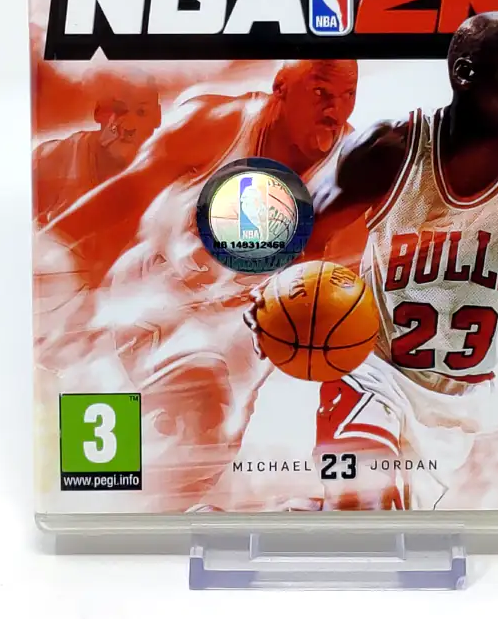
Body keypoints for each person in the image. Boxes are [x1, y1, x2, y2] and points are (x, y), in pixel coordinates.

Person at [246, 12, 498, 510]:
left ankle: (278, 518)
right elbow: (305, 231)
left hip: (457, 405)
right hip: (369, 371)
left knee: (385, 522)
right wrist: (279, 295)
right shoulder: (391, 149)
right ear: (465, 74)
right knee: (363, 506)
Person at [37, 60, 359, 510]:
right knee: (103, 433)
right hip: (155, 286)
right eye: (322, 92)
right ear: (281, 87)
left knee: (208, 430)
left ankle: (160, 514)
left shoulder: (352, 171)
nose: (335, 111)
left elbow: (337, 277)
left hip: (241, 320)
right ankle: (93, 499)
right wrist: (47, 266)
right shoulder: (217, 123)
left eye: (348, 96)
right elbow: (121, 198)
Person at [32, 78, 162, 225]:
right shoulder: (53, 159)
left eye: (141, 112)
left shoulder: (167, 178)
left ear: (157, 117)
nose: (129, 126)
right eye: (118, 111)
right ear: (98, 113)